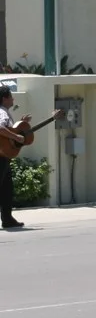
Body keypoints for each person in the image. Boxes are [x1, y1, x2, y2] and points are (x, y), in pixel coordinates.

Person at [0, 86, 30, 229]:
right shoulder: (2, 112)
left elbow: (6, 130)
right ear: (4, 99)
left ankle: (7, 218)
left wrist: (20, 124)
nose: (13, 99)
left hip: (4, 155)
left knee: (7, 188)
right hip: (1, 156)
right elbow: (0, 128)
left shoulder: (5, 112)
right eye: (11, 96)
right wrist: (16, 136)